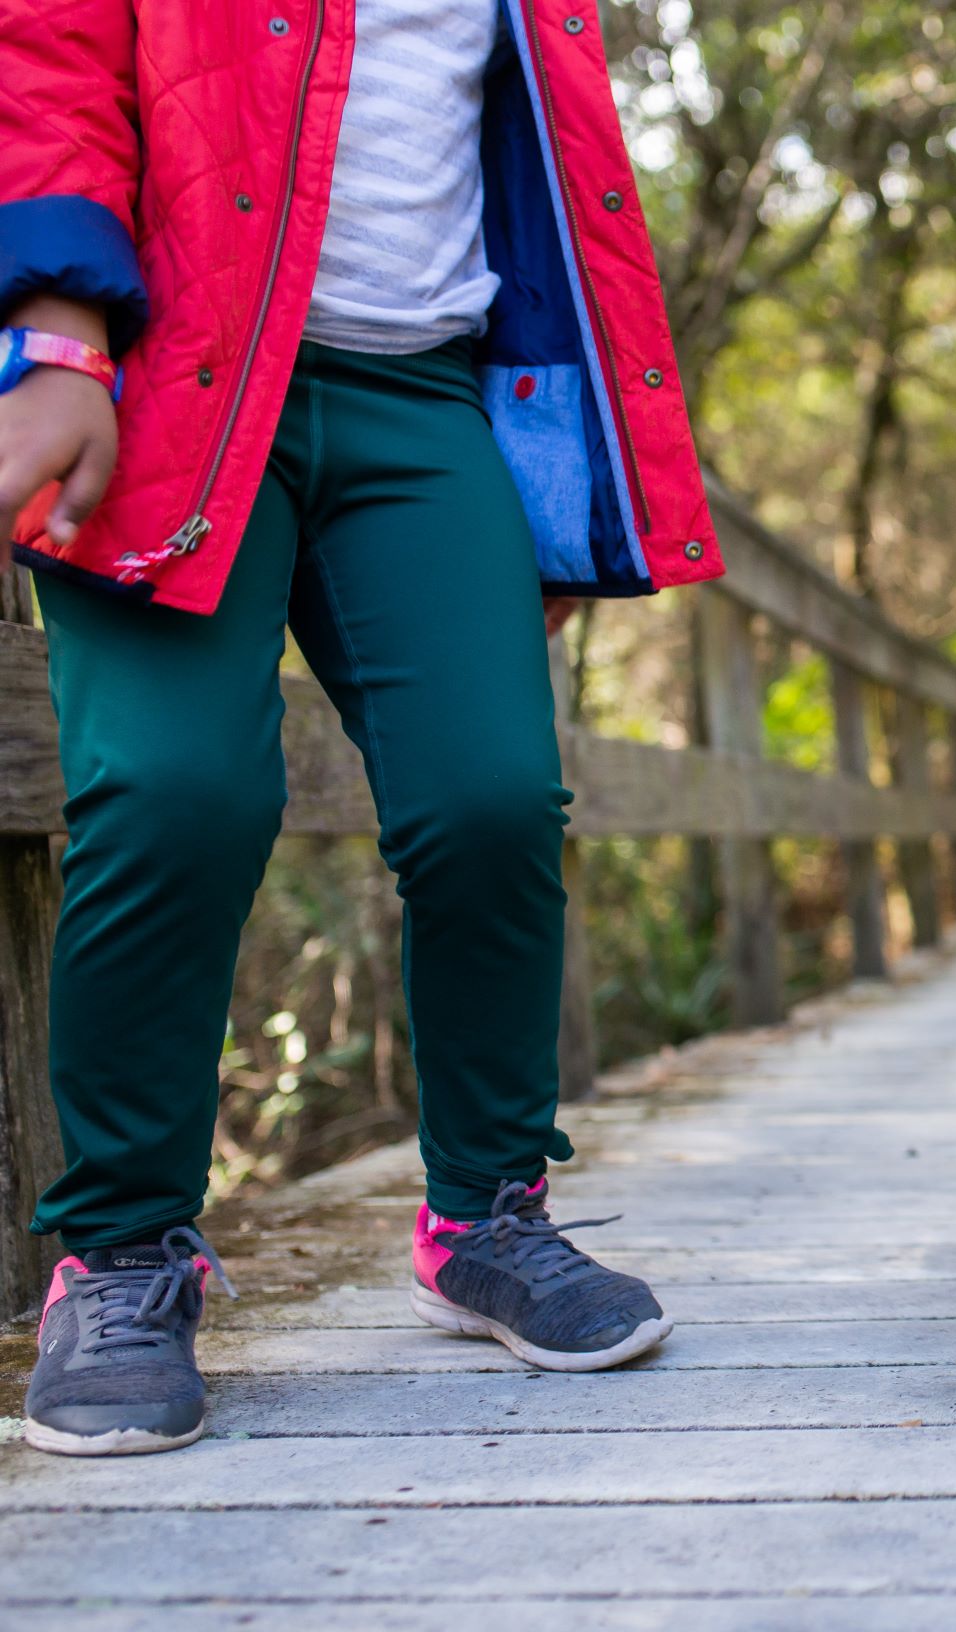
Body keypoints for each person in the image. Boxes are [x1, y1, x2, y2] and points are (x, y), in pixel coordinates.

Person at [0, 0, 723, 1455]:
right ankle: (124, 1250)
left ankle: (487, 1216)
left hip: (426, 401)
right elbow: (50, 51)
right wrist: (56, 343)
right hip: (181, 378)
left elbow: (547, 160)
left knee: (495, 796)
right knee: (173, 789)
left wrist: (562, 466)